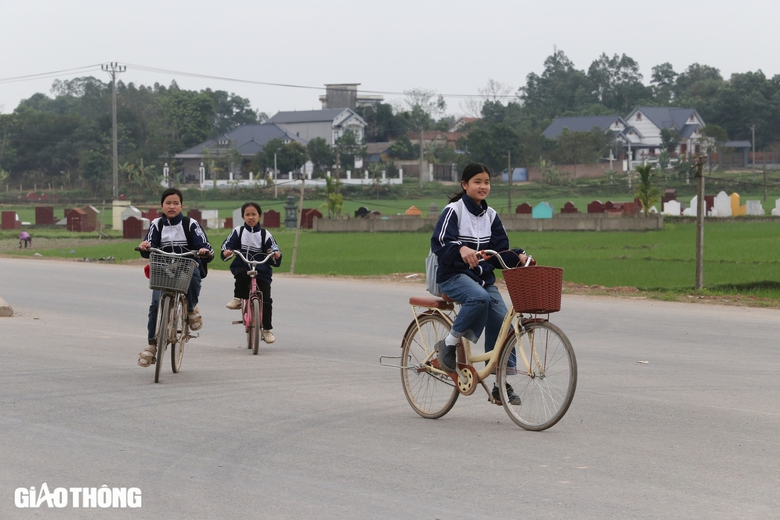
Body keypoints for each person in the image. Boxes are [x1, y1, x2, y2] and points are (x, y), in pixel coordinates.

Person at [430, 162, 532, 404]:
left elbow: (500, 252)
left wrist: (518, 256)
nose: (482, 186)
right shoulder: (453, 211)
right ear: (465, 185)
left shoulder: (492, 216)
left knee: (501, 320)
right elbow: (440, 243)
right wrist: (461, 248)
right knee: (480, 298)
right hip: (452, 276)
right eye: (477, 182)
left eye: (486, 182)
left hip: (482, 278)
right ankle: (448, 344)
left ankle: (500, 383)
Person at [137, 188, 214, 367]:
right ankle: (151, 345)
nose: (172, 206)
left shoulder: (190, 224)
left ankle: (191, 308)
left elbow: (204, 244)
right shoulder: (156, 224)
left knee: (195, 277)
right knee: (155, 304)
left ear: (181, 205)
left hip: (185, 266)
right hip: (163, 268)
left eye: (175, 203)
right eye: (168, 203)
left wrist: (203, 251)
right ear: (162, 205)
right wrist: (145, 246)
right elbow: (150, 243)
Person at [221, 202, 282, 343]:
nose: (251, 217)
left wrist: (275, 254)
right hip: (243, 264)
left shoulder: (265, 234)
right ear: (243, 216)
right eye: (247, 214)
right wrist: (227, 252)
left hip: (262, 269)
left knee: (266, 298)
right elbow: (227, 246)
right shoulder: (238, 232)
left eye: (254, 214)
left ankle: (267, 330)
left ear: (259, 216)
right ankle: (238, 299)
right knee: (242, 274)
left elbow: (273, 248)